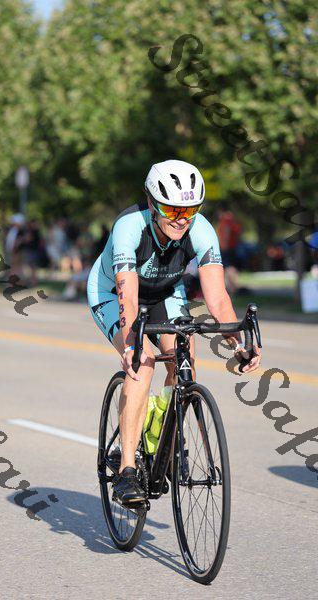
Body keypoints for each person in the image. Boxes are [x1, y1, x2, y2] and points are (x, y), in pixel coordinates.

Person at [87, 159, 261, 506]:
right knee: (144, 362)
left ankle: (161, 432)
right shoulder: (129, 227)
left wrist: (237, 344)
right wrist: (132, 346)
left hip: (166, 293)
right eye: (172, 210)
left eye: (191, 210)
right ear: (152, 204)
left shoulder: (201, 230)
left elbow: (217, 299)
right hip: (113, 293)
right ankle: (126, 469)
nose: (182, 219)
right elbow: (128, 298)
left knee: (185, 360)